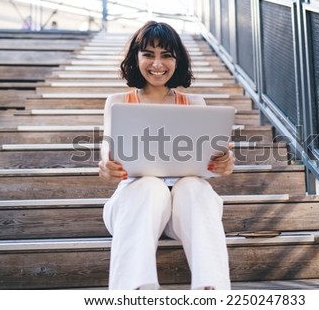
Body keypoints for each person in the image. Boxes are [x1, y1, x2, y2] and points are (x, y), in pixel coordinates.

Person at [98, 21, 235, 290]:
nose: (157, 64)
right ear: (136, 58)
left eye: (166, 55)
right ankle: (135, 294)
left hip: (183, 211)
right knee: (149, 186)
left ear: (177, 60)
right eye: (149, 54)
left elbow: (215, 157)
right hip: (134, 207)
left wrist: (224, 162)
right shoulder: (118, 102)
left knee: (194, 186)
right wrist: (106, 164)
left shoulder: (195, 104)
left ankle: (213, 292)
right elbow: (107, 150)